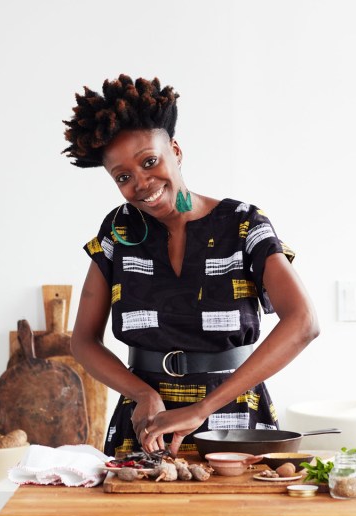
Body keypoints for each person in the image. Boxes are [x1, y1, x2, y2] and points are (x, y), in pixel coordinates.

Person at [64, 75, 319, 457]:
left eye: (150, 161)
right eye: (123, 177)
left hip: (235, 422)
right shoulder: (117, 232)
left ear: (176, 151)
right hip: (146, 425)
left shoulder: (243, 224)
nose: (142, 183)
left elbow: (304, 322)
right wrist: (142, 395)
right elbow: (82, 341)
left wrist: (202, 409)